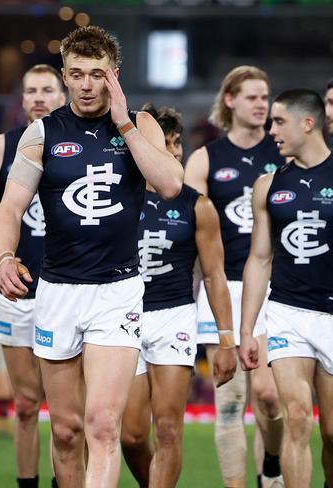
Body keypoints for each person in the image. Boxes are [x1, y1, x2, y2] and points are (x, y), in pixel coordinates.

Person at [0, 26, 183, 487]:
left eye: (96, 75)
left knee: (102, 424)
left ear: (113, 77)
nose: (84, 85)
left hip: (117, 291)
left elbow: (170, 183)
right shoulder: (41, 133)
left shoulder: (140, 124)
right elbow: (10, 208)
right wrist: (3, 256)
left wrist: (123, 123)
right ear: (64, 76)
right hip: (57, 289)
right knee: (64, 430)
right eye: (75, 74)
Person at [120, 105, 236, 487]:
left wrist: (225, 339)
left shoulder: (197, 206)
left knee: (168, 429)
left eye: (176, 143)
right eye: (163, 144)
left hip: (175, 317)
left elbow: (215, 276)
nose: (173, 152)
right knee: (131, 436)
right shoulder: (118, 198)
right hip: (123, 318)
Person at [184, 65, 285, 488]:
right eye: (252, 96)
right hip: (223, 287)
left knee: (269, 396)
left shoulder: (284, 154)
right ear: (229, 100)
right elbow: (184, 226)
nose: (261, 104)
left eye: (265, 97)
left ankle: (272, 468)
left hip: (274, 286)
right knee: (230, 399)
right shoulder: (208, 157)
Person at [0, 63, 66, 488]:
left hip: (69, 293)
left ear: (61, 96)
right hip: (18, 292)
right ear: (22, 100)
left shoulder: (81, 140)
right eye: (32, 91)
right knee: (26, 405)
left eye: (48, 89)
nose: (40, 97)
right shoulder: (1, 148)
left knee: (68, 415)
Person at [239, 89, 333, 488]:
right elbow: (260, 259)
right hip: (287, 311)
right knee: (296, 417)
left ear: (307, 124)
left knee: (331, 433)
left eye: (279, 122)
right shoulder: (267, 185)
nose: (271, 130)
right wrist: (246, 329)